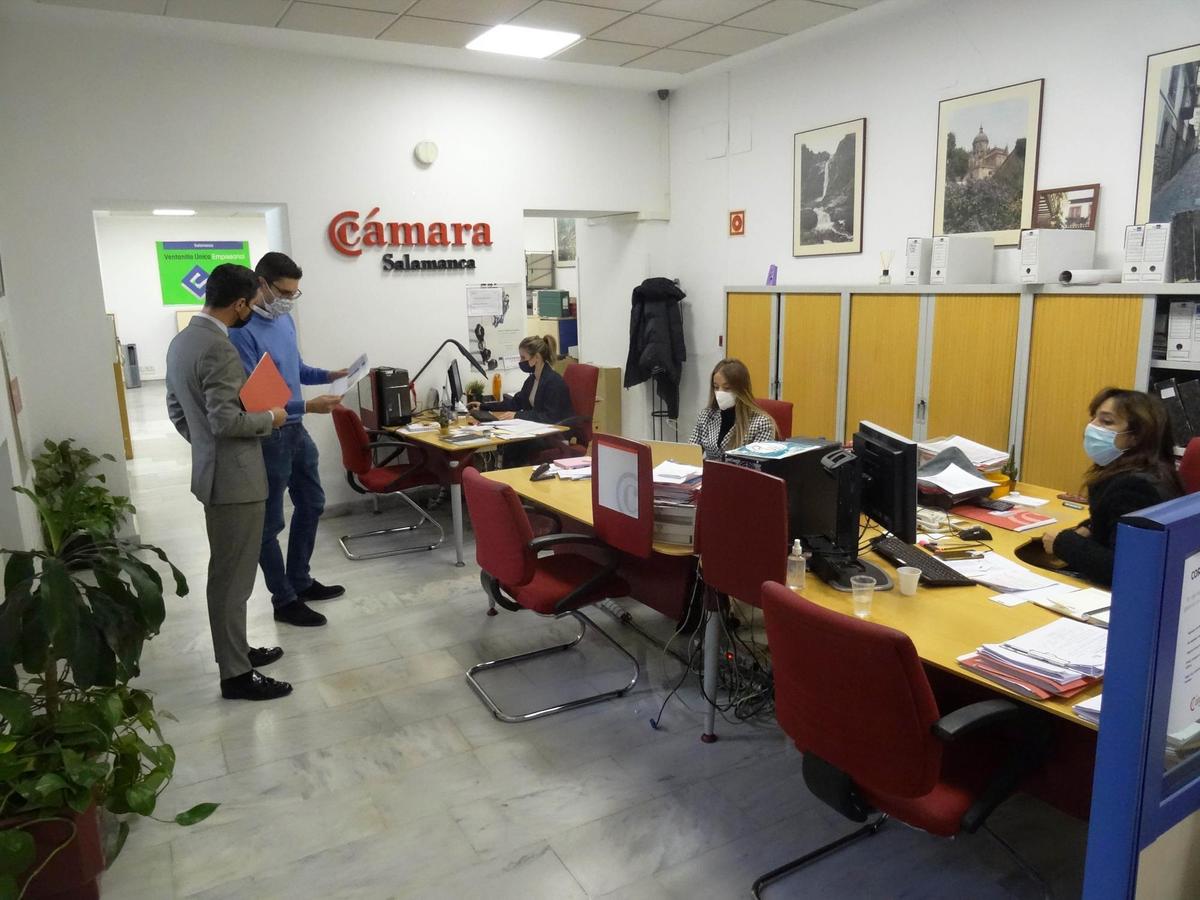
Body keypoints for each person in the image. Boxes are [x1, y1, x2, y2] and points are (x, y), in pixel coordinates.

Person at [165, 264, 292, 701]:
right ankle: (236, 675)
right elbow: (226, 420)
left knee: (227, 575)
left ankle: (236, 653)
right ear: (238, 303)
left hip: (213, 474)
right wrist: (271, 418)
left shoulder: (182, 341)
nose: (251, 312)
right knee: (232, 580)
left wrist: (205, 448)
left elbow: (178, 411)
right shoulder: (218, 349)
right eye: (250, 305)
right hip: (236, 482)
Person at [229, 252, 347, 628]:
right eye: (283, 292)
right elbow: (256, 397)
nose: (288, 300)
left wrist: (332, 374)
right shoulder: (240, 332)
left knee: (312, 503)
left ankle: (301, 580)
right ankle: (283, 599)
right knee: (270, 524)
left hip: (296, 431)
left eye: (295, 294)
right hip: (270, 435)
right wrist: (308, 406)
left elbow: (295, 369)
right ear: (260, 284)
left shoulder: (283, 321)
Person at [1042, 387, 1182, 585]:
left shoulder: (1135, 488)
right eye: (1094, 418)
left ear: (1136, 436)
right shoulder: (1150, 471)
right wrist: (1091, 527)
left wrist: (1062, 543)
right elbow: (1119, 525)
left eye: (1106, 421)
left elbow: (1124, 568)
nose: (1091, 427)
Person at [469, 334, 575, 466]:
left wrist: (517, 415)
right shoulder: (532, 380)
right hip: (537, 429)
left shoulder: (553, 382)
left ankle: (510, 480)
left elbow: (549, 417)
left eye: (523, 357)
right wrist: (484, 406)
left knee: (514, 445)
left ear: (536, 358)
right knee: (508, 442)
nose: (520, 361)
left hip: (553, 434)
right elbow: (515, 402)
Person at [689, 358, 778, 459]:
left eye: (727, 388)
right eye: (716, 387)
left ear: (741, 390)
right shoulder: (706, 415)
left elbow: (758, 466)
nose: (719, 393)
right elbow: (690, 454)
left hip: (740, 474)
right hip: (708, 473)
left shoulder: (761, 423)